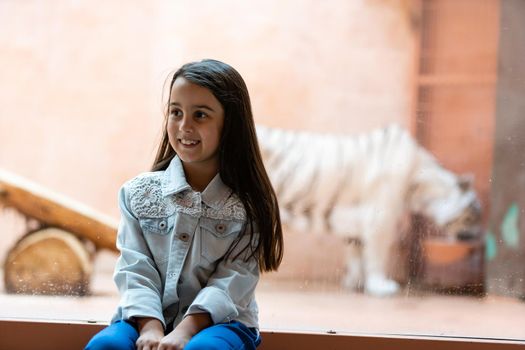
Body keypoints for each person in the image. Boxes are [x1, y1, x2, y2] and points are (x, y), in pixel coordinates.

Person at [85, 59, 284, 350]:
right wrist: (151, 326)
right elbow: (135, 267)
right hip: (143, 318)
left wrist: (185, 331)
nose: (184, 126)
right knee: (106, 347)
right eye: (175, 112)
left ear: (230, 124)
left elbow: (234, 279)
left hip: (223, 323)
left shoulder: (250, 206)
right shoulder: (137, 194)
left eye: (200, 115)